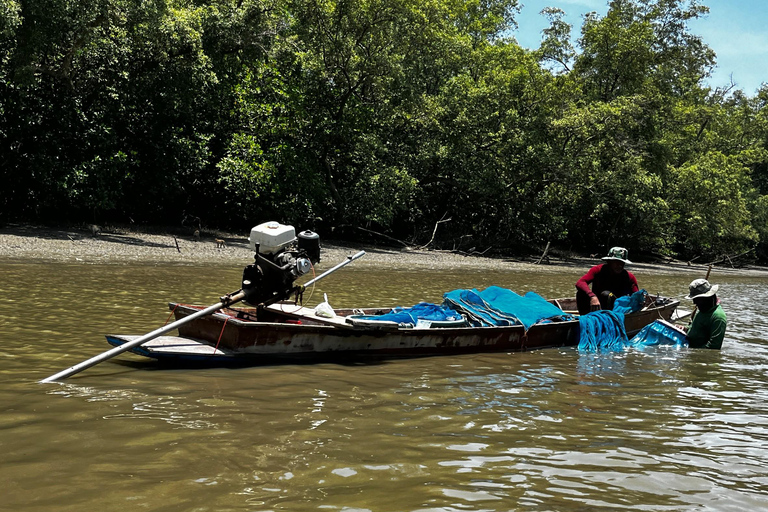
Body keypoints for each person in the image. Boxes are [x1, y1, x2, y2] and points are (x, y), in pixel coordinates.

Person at [576, 247, 639, 315]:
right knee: (581, 293)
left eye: (622, 263)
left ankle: (610, 318)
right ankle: (585, 318)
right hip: (597, 304)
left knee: (608, 295)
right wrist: (592, 296)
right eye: (616, 262)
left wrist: (640, 300)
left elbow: (637, 295)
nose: (620, 265)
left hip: (616, 308)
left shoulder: (629, 277)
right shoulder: (598, 270)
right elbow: (580, 282)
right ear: (609, 262)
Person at [685, 278, 726, 349]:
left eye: (698, 299)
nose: (694, 303)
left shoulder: (718, 317)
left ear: (708, 298)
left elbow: (713, 347)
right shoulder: (703, 310)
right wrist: (685, 329)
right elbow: (695, 328)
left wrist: (692, 352)